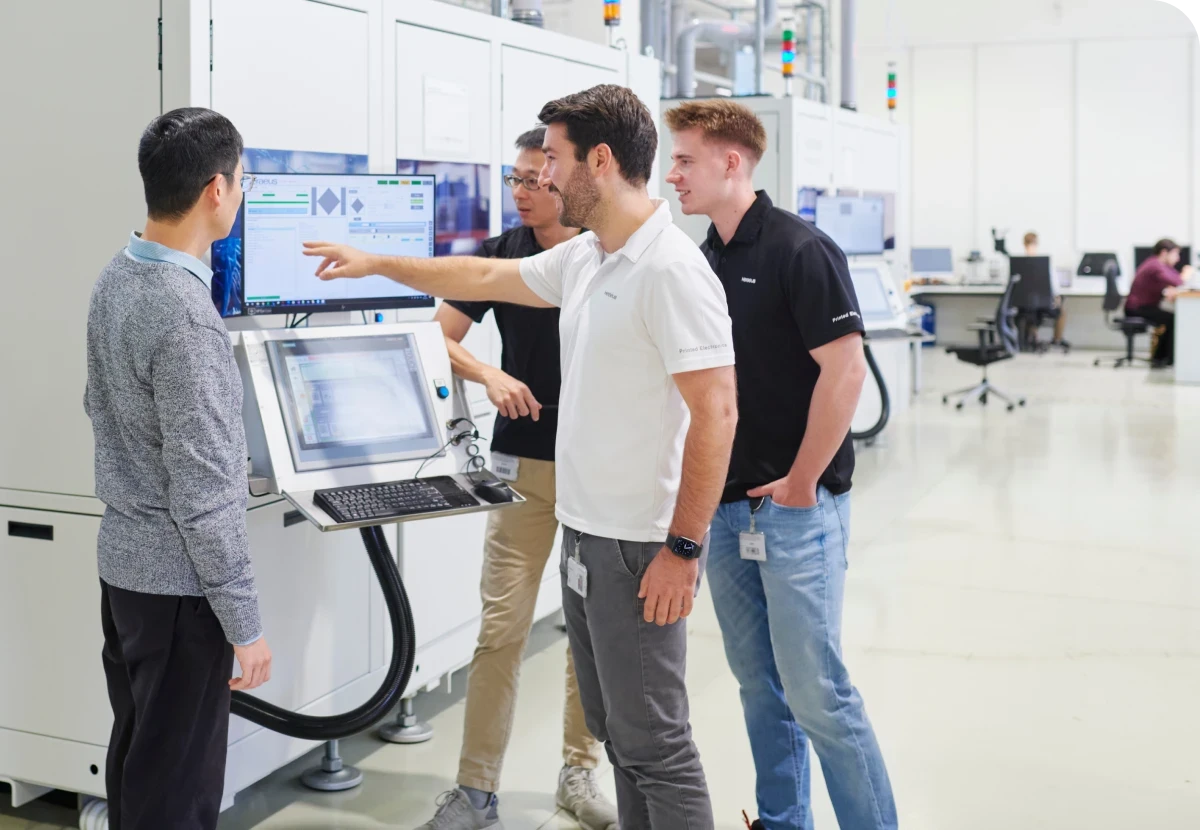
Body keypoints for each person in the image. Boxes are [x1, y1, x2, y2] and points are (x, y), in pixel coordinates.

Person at [304, 84, 737, 830]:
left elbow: (717, 413)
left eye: (557, 161)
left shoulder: (668, 270)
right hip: (586, 529)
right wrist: (375, 262)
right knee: (621, 739)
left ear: (599, 162)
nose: (544, 178)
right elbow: (481, 279)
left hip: (640, 547)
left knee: (656, 747)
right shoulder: (590, 259)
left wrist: (683, 546)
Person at [665, 99, 897, 830]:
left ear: (732, 162)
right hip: (727, 511)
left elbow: (847, 372)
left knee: (818, 693)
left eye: (685, 159)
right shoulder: (704, 261)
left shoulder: (801, 250)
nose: (672, 174)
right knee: (759, 687)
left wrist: (800, 483)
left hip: (797, 510)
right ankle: (781, 819)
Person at [422, 126, 616, 830]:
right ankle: (476, 791)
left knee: (587, 627)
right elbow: (437, 337)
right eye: (516, 179)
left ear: (568, 178)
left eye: (538, 178)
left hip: (598, 465)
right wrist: (490, 372)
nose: (524, 192)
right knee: (501, 626)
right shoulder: (503, 255)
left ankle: (579, 770)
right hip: (523, 465)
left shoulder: (600, 251)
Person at [84, 108, 272, 830]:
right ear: (216, 191)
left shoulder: (117, 276)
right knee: (179, 792)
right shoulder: (187, 318)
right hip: (181, 591)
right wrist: (245, 625)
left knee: (141, 759)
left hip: (126, 574)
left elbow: (99, 406)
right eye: (243, 181)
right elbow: (205, 496)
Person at [1126, 238, 1195, 367]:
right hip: (1138, 308)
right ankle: (1165, 358)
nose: (1178, 259)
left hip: (1143, 306)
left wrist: (1167, 291)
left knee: (1171, 319)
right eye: (1175, 254)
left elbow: (1169, 281)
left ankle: (1161, 357)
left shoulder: (1158, 265)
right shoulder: (1155, 265)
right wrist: (1186, 273)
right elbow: (1178, 281)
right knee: (1173, 319)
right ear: (1164, 253)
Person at [1022, 231, 1069, 349]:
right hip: (1043, 304)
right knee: (1061, 311)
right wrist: (1057, 297)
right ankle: (1057, 339)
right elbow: (1054, 286)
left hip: (1024, 304)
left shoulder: (1018, 263)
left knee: (1031, 313)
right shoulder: (1045, 263)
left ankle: (1032, 336)